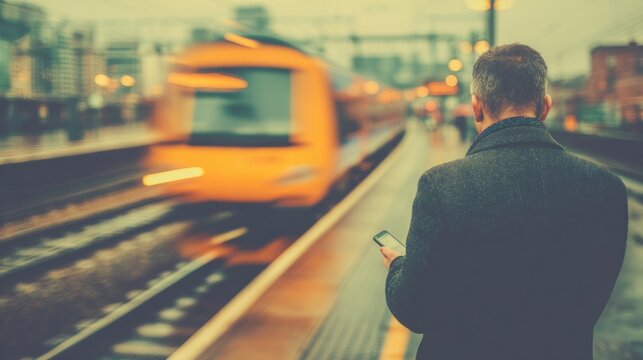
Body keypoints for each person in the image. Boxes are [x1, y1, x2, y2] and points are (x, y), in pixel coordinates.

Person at [380, 43, 628, 360]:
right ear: (546, 107)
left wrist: (398, 266)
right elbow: (591, 299)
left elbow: (414, 309)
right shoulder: (606, 190)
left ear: (476, 108)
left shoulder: (441, 186)